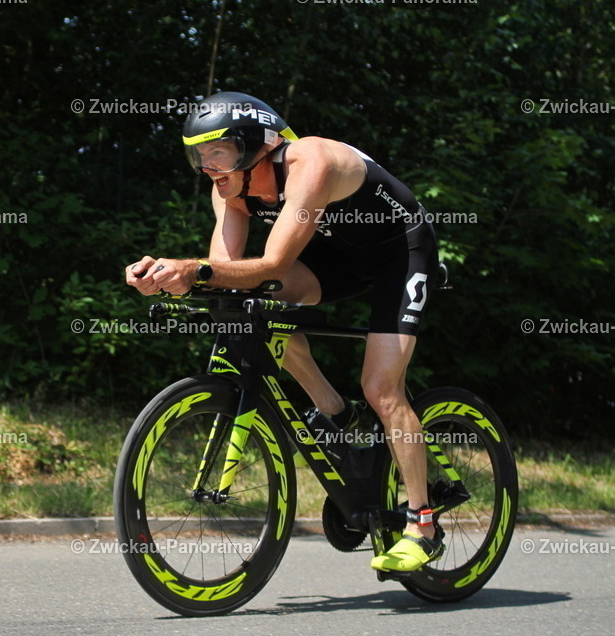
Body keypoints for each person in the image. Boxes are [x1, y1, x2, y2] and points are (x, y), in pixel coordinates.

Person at [124, 91, 443, 572]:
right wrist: (168, 280)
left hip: (400, 251)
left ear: (255, 146)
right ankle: (332, 407)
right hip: (335, 258)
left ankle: (423, 524)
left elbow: (271, 263)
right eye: (199, 154)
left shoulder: (310, 161)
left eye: (219, 151)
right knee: (249, 302)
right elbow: (224, 272)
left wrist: (195, 270)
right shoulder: (228, 189)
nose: (209, 166)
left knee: (381, 388)